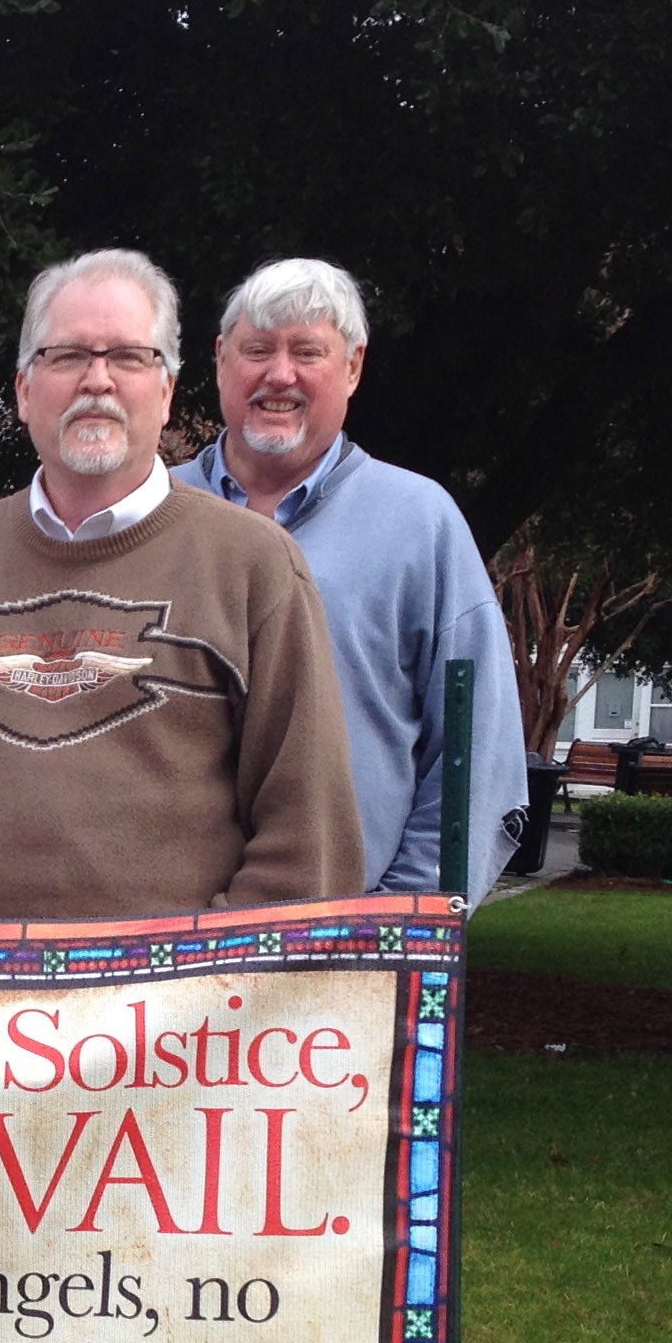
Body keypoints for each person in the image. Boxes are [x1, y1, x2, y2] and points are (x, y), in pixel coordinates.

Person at [0, 249, 363, 919]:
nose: (97, 381)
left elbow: (307, 841)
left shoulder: (254, 567)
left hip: (165, 1017)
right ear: (24, 390)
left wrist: (202, 988)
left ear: (166, 392)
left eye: (129, 357)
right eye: (69, 355)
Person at [179, 257, 528, 902]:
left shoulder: (420, 523)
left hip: (344, 948)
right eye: (257, 350)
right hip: (154, 950)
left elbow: (477, 757)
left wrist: (400, 923)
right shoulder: (148, 517)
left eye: (307, 351)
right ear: (221, 359)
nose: (279, 374)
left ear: (354, 367)